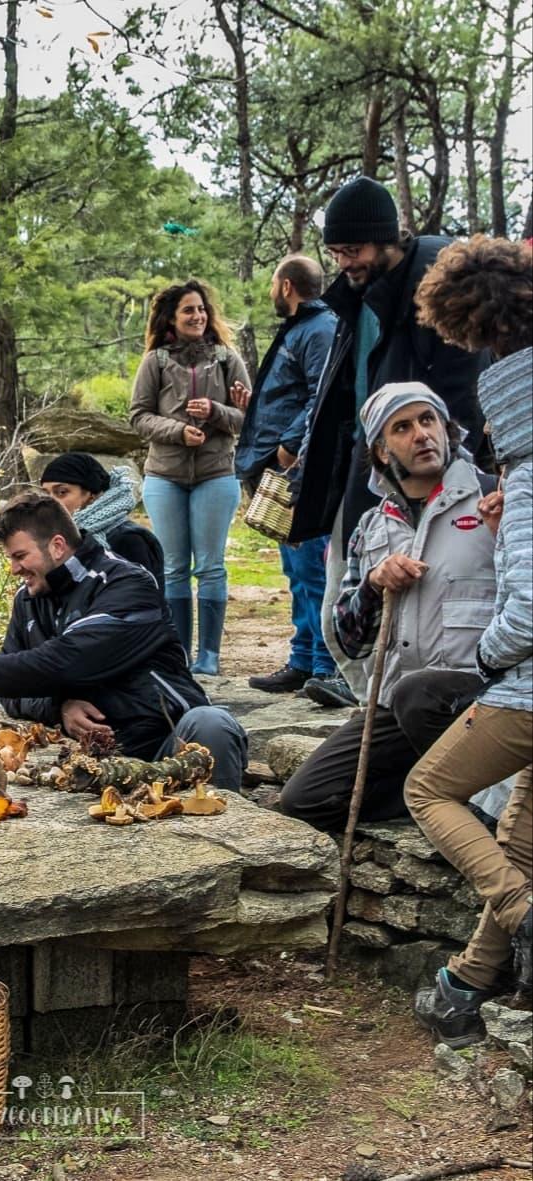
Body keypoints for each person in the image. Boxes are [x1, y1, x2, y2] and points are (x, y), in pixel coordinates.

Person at [288, 177, 488, 709]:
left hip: (429, 475)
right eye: (335, 253)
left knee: (430, 601)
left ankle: (416, 715)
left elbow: (460, 397)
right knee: (349, 597)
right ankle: (376, 708)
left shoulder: (435, 288)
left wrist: (450, 470)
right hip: (367, 466)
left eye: (352, 250)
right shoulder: (363, 297)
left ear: (385, 239)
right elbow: (339, 389)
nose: (344, 263)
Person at [402, 236, 532, 1047]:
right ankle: (465, 983)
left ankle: (523, 915)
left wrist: (477, 660)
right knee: (518, 835)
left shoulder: (525, 475)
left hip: (525, 687)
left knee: (427, 789)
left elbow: (527, 613)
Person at [279, 383, 497, 831]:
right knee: (307, 800)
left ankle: (480, 805)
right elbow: (349, 640)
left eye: (428, 420)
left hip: (485, 701)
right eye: (402, 427)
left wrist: (504, 537)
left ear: (447, 429)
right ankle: (437, 800)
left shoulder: (495, 499)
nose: (421, 434)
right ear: (381, 451)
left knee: (421, 694)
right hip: (399, 706)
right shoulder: (371, 526)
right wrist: (374, 586)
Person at [0, 492, 248, 788]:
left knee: (212, 723)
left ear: (57, 546)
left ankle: (226, 821)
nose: (13, 569)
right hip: (99, 760)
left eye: (20, 556)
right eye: (10, 558)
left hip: (165, 742)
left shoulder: (125, 582)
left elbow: (69, 661)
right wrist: (59, 707)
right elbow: (14, 690)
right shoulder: (28, 600)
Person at [129, 279, 250, 676]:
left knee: (211, 565)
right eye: (188, 310)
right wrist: (177, 431)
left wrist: (216, 411)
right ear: (172, 318)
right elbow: (139, 416)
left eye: (201, 309)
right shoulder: (156, 362)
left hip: (216, 472)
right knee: (174, 566)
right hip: (165, 475)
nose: (197, 316)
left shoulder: (228, 359)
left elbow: (250, 417)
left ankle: (210, 656)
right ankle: (180, 654)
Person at [235, 255, 338, 693]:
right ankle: (302, 659)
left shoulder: (318, 329)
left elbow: (323, 394)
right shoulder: (299, 329)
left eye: (273, 284)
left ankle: (325, 666)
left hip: (302, 468)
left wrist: (291, 444)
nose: (270, 292)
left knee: (313, 567)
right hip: (284, 465)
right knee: (296, 570)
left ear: (287, 287)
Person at [39, 451, 164, 586]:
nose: (50, 502)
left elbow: (140, 597)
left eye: (62, 492)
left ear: (91, 494)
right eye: (45, 494)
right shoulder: (55, 537)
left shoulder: (129, 539)